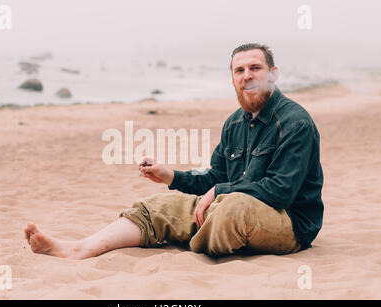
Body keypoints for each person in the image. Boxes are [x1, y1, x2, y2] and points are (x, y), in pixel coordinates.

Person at [24, 43, 324, 260]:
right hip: (228, 210)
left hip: (290, 224)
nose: (247, 75)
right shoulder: (234, 123)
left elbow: (281, 191)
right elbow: (216, 178)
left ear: (273, 74)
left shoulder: (295, 122)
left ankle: (189, 241)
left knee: (232, 206)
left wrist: (221, 190)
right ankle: (78, 248)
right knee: (159, 204)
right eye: (239, 70)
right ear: (232, 78)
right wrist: (171, 176)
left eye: (255, 68)